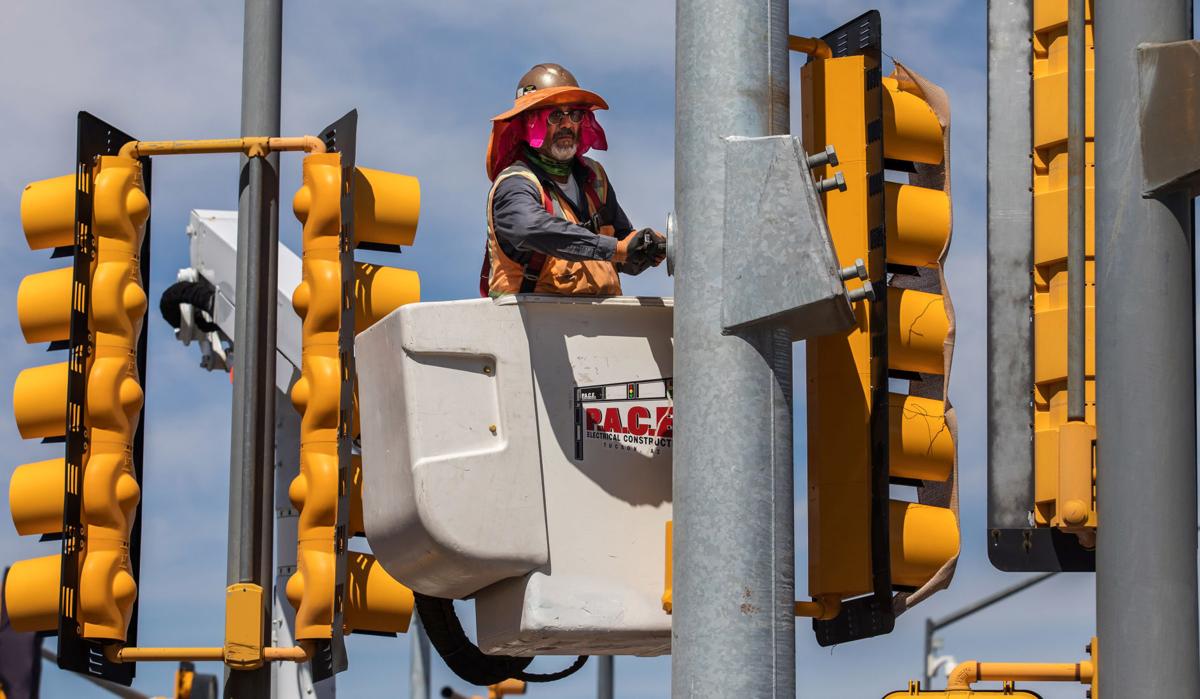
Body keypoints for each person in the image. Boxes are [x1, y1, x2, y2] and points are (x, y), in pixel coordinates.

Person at [481, 63, 666, 297]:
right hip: (534, 324)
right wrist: (616, 249)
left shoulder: (593, 177)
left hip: (601, 323)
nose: (567, 124)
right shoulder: (515, 183)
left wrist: (644, 249)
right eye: (555, 116)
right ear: (529, 123)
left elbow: (620, 249)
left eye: (575, 115)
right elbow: (531, 230)